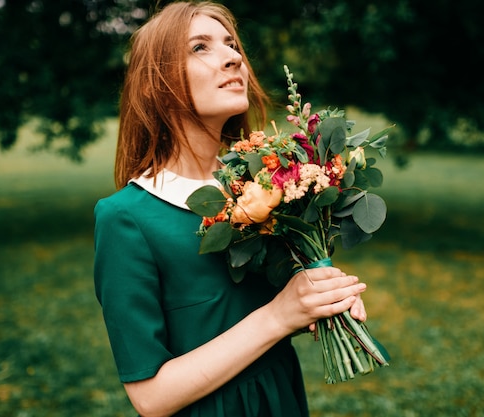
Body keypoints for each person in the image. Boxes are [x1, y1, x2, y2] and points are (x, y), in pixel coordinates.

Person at [93, 2, 369, 416]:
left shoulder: (261, 187)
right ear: (157, 83)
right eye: (200, 47)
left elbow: (279, 291)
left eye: (232, 44)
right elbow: (150, 398)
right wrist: (279, 316)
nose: (235, 57)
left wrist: (320, 292)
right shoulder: (126, 218)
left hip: (281, 398)